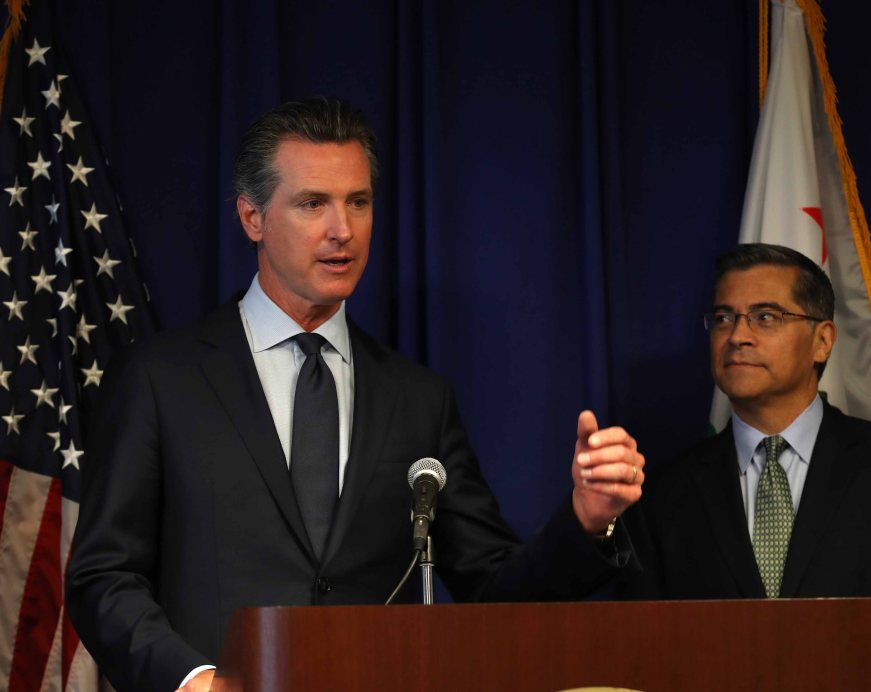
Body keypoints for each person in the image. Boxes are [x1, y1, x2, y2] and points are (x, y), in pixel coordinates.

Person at [65, 97, 645, 692]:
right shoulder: (161, 379)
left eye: (358, 202)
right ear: (251, 218)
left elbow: (494, 591)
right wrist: (193, 681)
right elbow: (103, 576)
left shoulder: (418, 399)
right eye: (312, 203)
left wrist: (585, 519)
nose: (342, 230)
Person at [621, 243, 871, 690]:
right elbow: (642, 663)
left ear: (822, 340)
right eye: (724, 318)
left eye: (766, 317)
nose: (738, 336)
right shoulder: (663, 494)